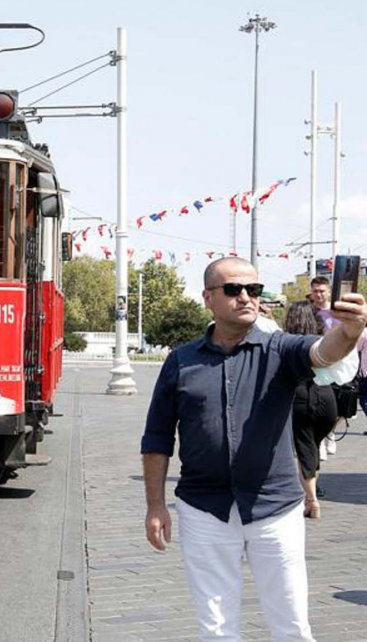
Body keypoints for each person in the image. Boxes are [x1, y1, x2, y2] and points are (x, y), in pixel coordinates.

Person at [140, 257, 366, 641]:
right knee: (216, 627)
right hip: (203, 508)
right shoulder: (182, 361)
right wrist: (155, 505)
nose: (246, 297)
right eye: (233, 289)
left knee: (291, 624)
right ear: (208, 298)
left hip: (274, 508)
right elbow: (157, 438)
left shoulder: (280, 349)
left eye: (254, 290)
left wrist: (350, 330)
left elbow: (325, 352)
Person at [283, 301, 338, 520]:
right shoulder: (323, 341)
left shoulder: (286, 343)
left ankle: (311, 500)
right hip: (327, 397)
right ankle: (311, 494)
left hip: (300, 397)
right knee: (313, 446)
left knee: (305, 448)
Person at [309, 275, 341, 457]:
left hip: (338, 362)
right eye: (315, 291)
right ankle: (320, 440)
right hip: (316, 362)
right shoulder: (308, 312)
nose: (319, 294)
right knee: (317, 403)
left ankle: (330, 432)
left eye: (322, 291)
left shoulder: (338, 311)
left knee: (340, 406)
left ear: (329, 292)